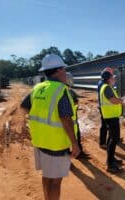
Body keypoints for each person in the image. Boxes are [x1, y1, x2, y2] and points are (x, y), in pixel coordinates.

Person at [21, 54, 80, 200]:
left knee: (47, 176)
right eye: (64, 69)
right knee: (55, 181)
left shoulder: (38, 88)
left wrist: (39, 123)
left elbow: (24, 107)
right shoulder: (61, 90)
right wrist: (74, 143)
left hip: (40, 141)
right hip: (56, 144)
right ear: (58, 70)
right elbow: (66, 119)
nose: (65, 73)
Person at [99, 70, 124, 173]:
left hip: (111, 116)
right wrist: (123, 100)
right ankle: (110, 164)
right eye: (113, 77)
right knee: (114, 139)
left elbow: (113, 100)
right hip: (111, 117)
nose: (114, 79)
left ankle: (112, 159)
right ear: (109, 79)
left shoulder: (106, 87)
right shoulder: (107, 88)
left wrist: (120, 100)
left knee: (111, 138)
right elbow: (113, 101)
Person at [65, 72, 90, 159]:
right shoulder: (64, 92)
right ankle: (67, 158)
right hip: (67, 120)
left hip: (74, 119)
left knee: (77, 137)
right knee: (67, 139)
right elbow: (75, 102)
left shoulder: (71, 91)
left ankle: (79, 153)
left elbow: (76, 101)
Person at [97, 67, 114, 149]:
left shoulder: (103, 83)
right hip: (104, 107)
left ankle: (111, 138)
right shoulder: (103, 84)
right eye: (111, 74)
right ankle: (102, 142)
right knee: (104, 125)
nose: (112, 76)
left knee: (108, 125)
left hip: (106, 107)